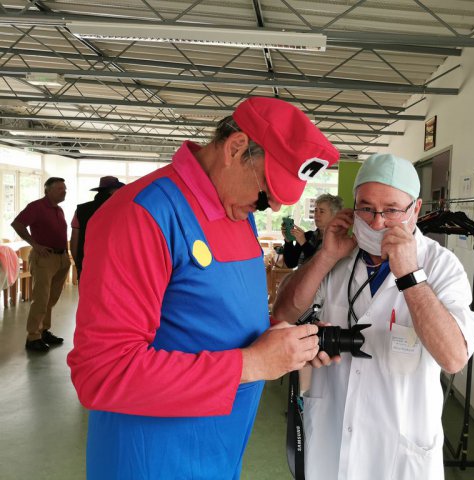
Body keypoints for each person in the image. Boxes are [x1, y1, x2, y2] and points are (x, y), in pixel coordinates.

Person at [67, 97, 339, 479]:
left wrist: (286, 346)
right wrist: (254, 363)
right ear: (235, 148)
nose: (271, 208)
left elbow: (215, 319)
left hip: (220, 451)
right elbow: (102, 372)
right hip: (153, 460)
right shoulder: (144, 215)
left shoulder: (236, 211)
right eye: (266, 193)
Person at [273, 153, 474, 480]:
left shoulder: (441, 266)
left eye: (392, 210)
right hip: (331, 437)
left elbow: (453, 356)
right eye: (366, 208)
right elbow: (283, 312)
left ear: (415, 209)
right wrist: (325, 256)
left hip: (398, 452)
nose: (376, 222)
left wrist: (410, 275)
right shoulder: (339, 255)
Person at [11, 177, 71, 353]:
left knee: (52, 298)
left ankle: (43, 330)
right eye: (60, 189)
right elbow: (17, 224)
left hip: (61, 257)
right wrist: (35, 245)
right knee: (41, 298)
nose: (64, 191)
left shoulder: (58, 209)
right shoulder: (36, 207)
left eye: (65, 189)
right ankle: (33, 337)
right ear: (48, 190)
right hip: (45, 258)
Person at [70, 175, 125, 280]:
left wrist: (79, 264)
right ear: (111, 191)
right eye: (118, 189)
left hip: (87, 265)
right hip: (112, 267)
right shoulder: (120, 210)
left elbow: (74, 241)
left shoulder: (81, 210)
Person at [281, 193, 343, 268]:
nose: (316, 214)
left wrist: (304, 243)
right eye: (315, 210)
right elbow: (291, 263)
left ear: (334, 216)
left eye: (322, 211)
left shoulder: (338, 242)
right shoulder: (307, 236)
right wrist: (288, 241)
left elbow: (319, 266)